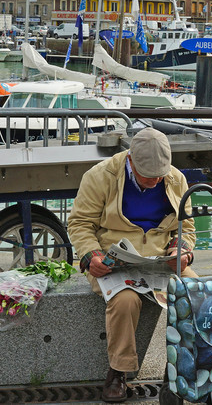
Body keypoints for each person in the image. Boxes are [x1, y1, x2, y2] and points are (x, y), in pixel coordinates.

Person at [67, 127, 197, 403]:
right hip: (114, 261)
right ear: (130, 160)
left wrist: (182, 250)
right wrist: (91, 256)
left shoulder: (176, 179)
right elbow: (80, 223)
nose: (154, 182)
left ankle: (178, 371)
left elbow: (187, 227)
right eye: (147, 176)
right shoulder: (100, 175)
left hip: (162, 258)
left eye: (159, 176)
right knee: (125, 302)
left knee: (195, 294)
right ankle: (118, 372)